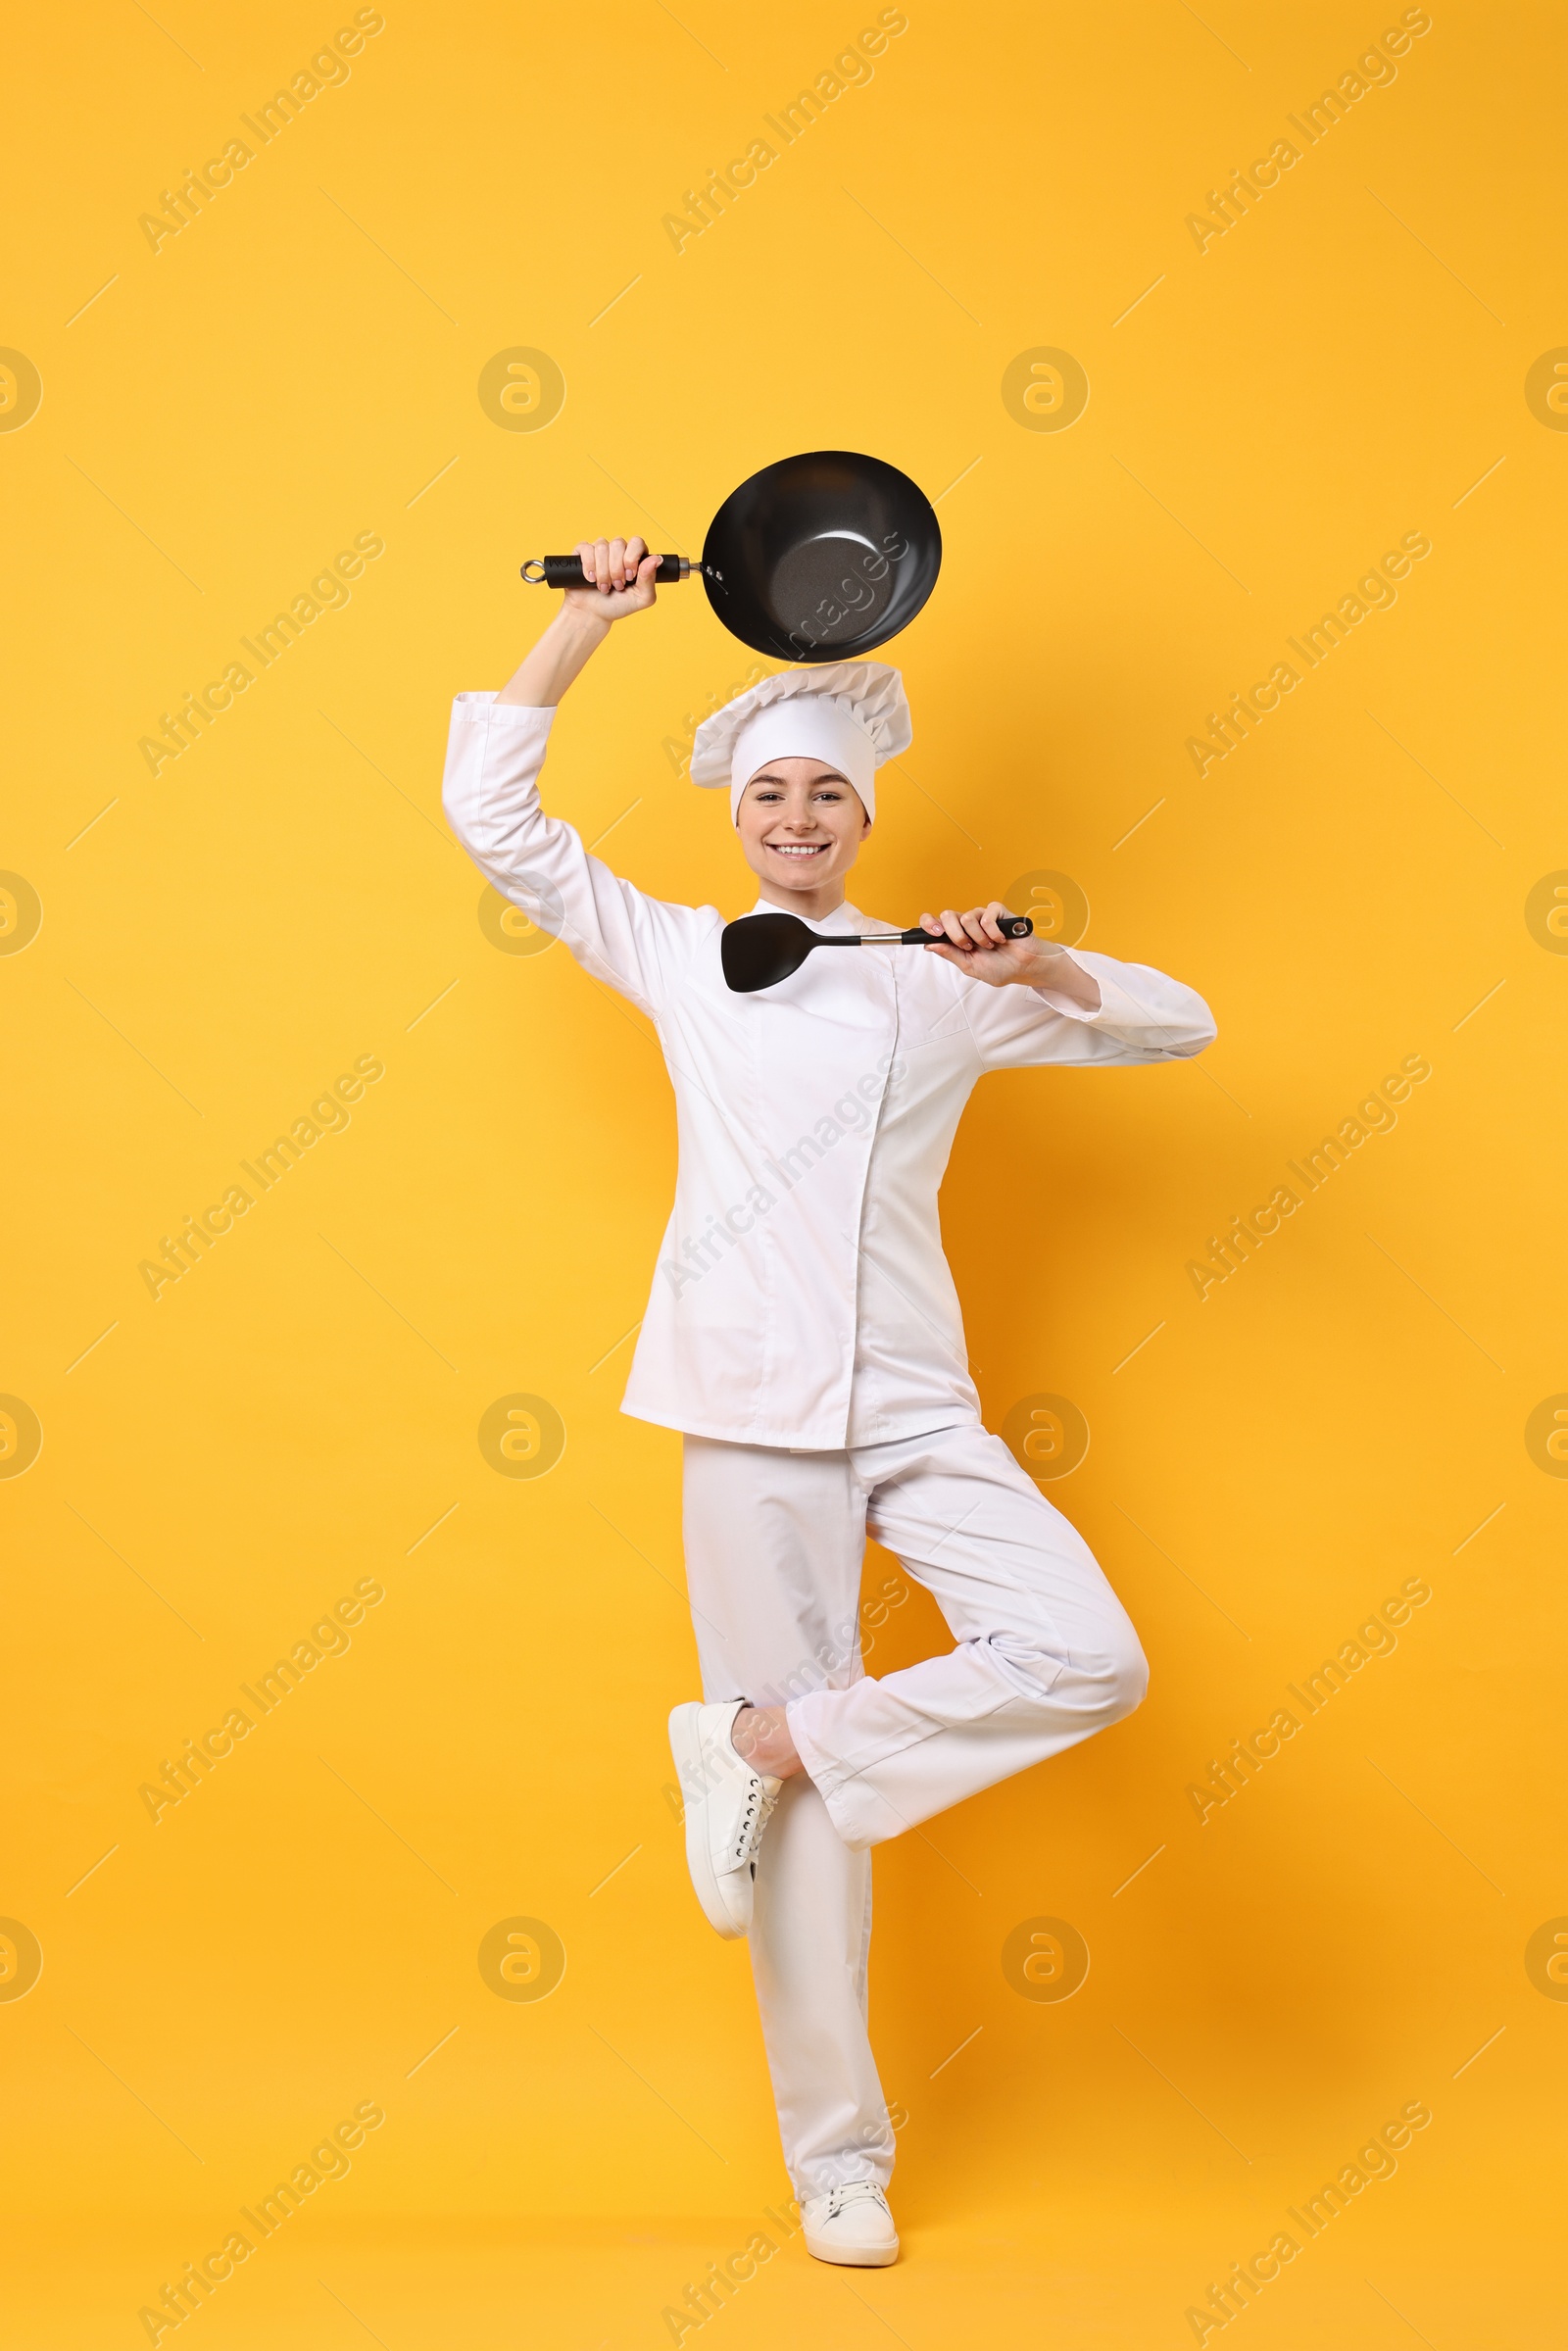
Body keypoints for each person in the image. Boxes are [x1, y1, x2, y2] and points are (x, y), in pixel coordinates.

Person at [442, 534, 1216, 2269]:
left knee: (1085, 1655)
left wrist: (1045, 972)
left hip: (922, 1406)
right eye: (771, 791)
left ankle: (766, 1742)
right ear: (741, 812)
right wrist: (583, 627)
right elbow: (498, 823)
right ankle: (839, 2163)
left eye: (827, 796)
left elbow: (1181, 1028)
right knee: (794, 1857)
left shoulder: (944, 978)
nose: (797, 817)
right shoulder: (674, 954)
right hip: (747, 1412)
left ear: (867, 817)